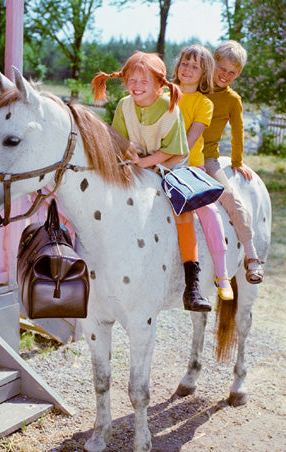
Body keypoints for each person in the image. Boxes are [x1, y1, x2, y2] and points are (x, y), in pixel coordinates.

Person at [91, 51, 211, 311]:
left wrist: (144, 163)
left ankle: (192, 283)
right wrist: (129, 153)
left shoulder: (170, 109)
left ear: (159, 85)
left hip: (170, 164)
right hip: (138, 161)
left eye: (143, 81)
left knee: (183, 213)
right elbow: (120, 140)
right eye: (131, 80)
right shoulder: (124, 106)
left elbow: (174, 149)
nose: (136, 86)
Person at [172, 44, 234, 300]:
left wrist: (163, 162)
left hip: (189, 167)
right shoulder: (164, 94)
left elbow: (187, 143)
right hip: (157, 163)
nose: (187, 69)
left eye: (194, 66)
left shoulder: (204, 103)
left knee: (208, 209)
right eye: (184, 63)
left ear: (204, 72)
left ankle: (221, 273)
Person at [203, 40, 264, 284]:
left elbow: (238, 133)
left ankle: (251, 256)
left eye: (232, 73)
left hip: (207, 158)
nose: (226, 76)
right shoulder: (195, 87)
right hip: (177, 153)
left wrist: (237, 161)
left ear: (238, 74)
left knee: (231, 200)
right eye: (222, 69)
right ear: (213, 64)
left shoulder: (232, 100)